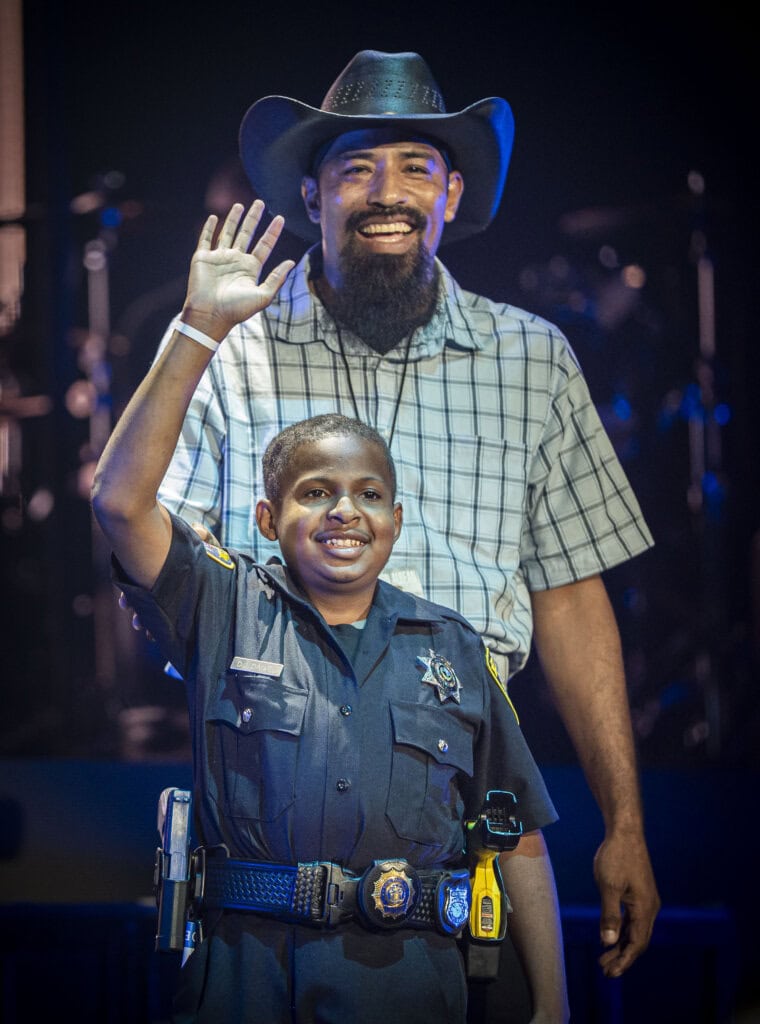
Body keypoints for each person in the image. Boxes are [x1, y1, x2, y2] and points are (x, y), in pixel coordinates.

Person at [144, 49, 660, 995]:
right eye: (356, 168)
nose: (388, 192)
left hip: (472, 827)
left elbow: (571, 596)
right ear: (312, 195)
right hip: (272, 832)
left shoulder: (532, 360)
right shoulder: (234, 351)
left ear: (452, 194)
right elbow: (154, 559)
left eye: (416, 167)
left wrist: (624, 822)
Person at [91, 200, 569, 1023]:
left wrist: (553, 1007)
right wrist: (199, 327)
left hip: (412, 987)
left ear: (395, 521)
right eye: (315, 492)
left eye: (368, 495)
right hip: (249, 984)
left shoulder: (454, 648)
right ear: (269, 519)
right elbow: (119, 502)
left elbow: (514, 833)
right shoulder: (222, 604)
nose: (345, 511)